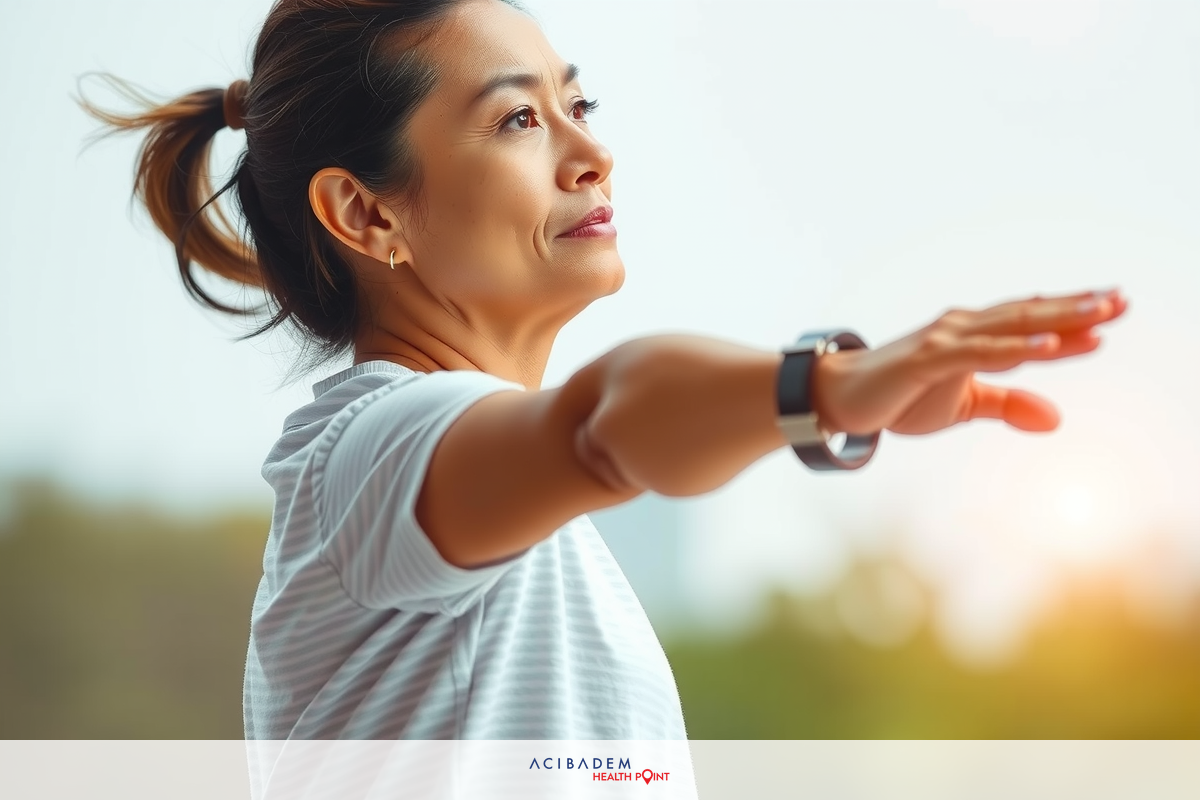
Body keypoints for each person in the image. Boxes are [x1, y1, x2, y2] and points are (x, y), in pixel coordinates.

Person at [78, 0, 1127, 793]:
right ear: (365, 212)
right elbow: (606, 424)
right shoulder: (371, 447)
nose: (592, 152)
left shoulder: (502, 515)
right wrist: (833, 387)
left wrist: (842, 403)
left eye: (577, 104)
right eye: (520, 119)